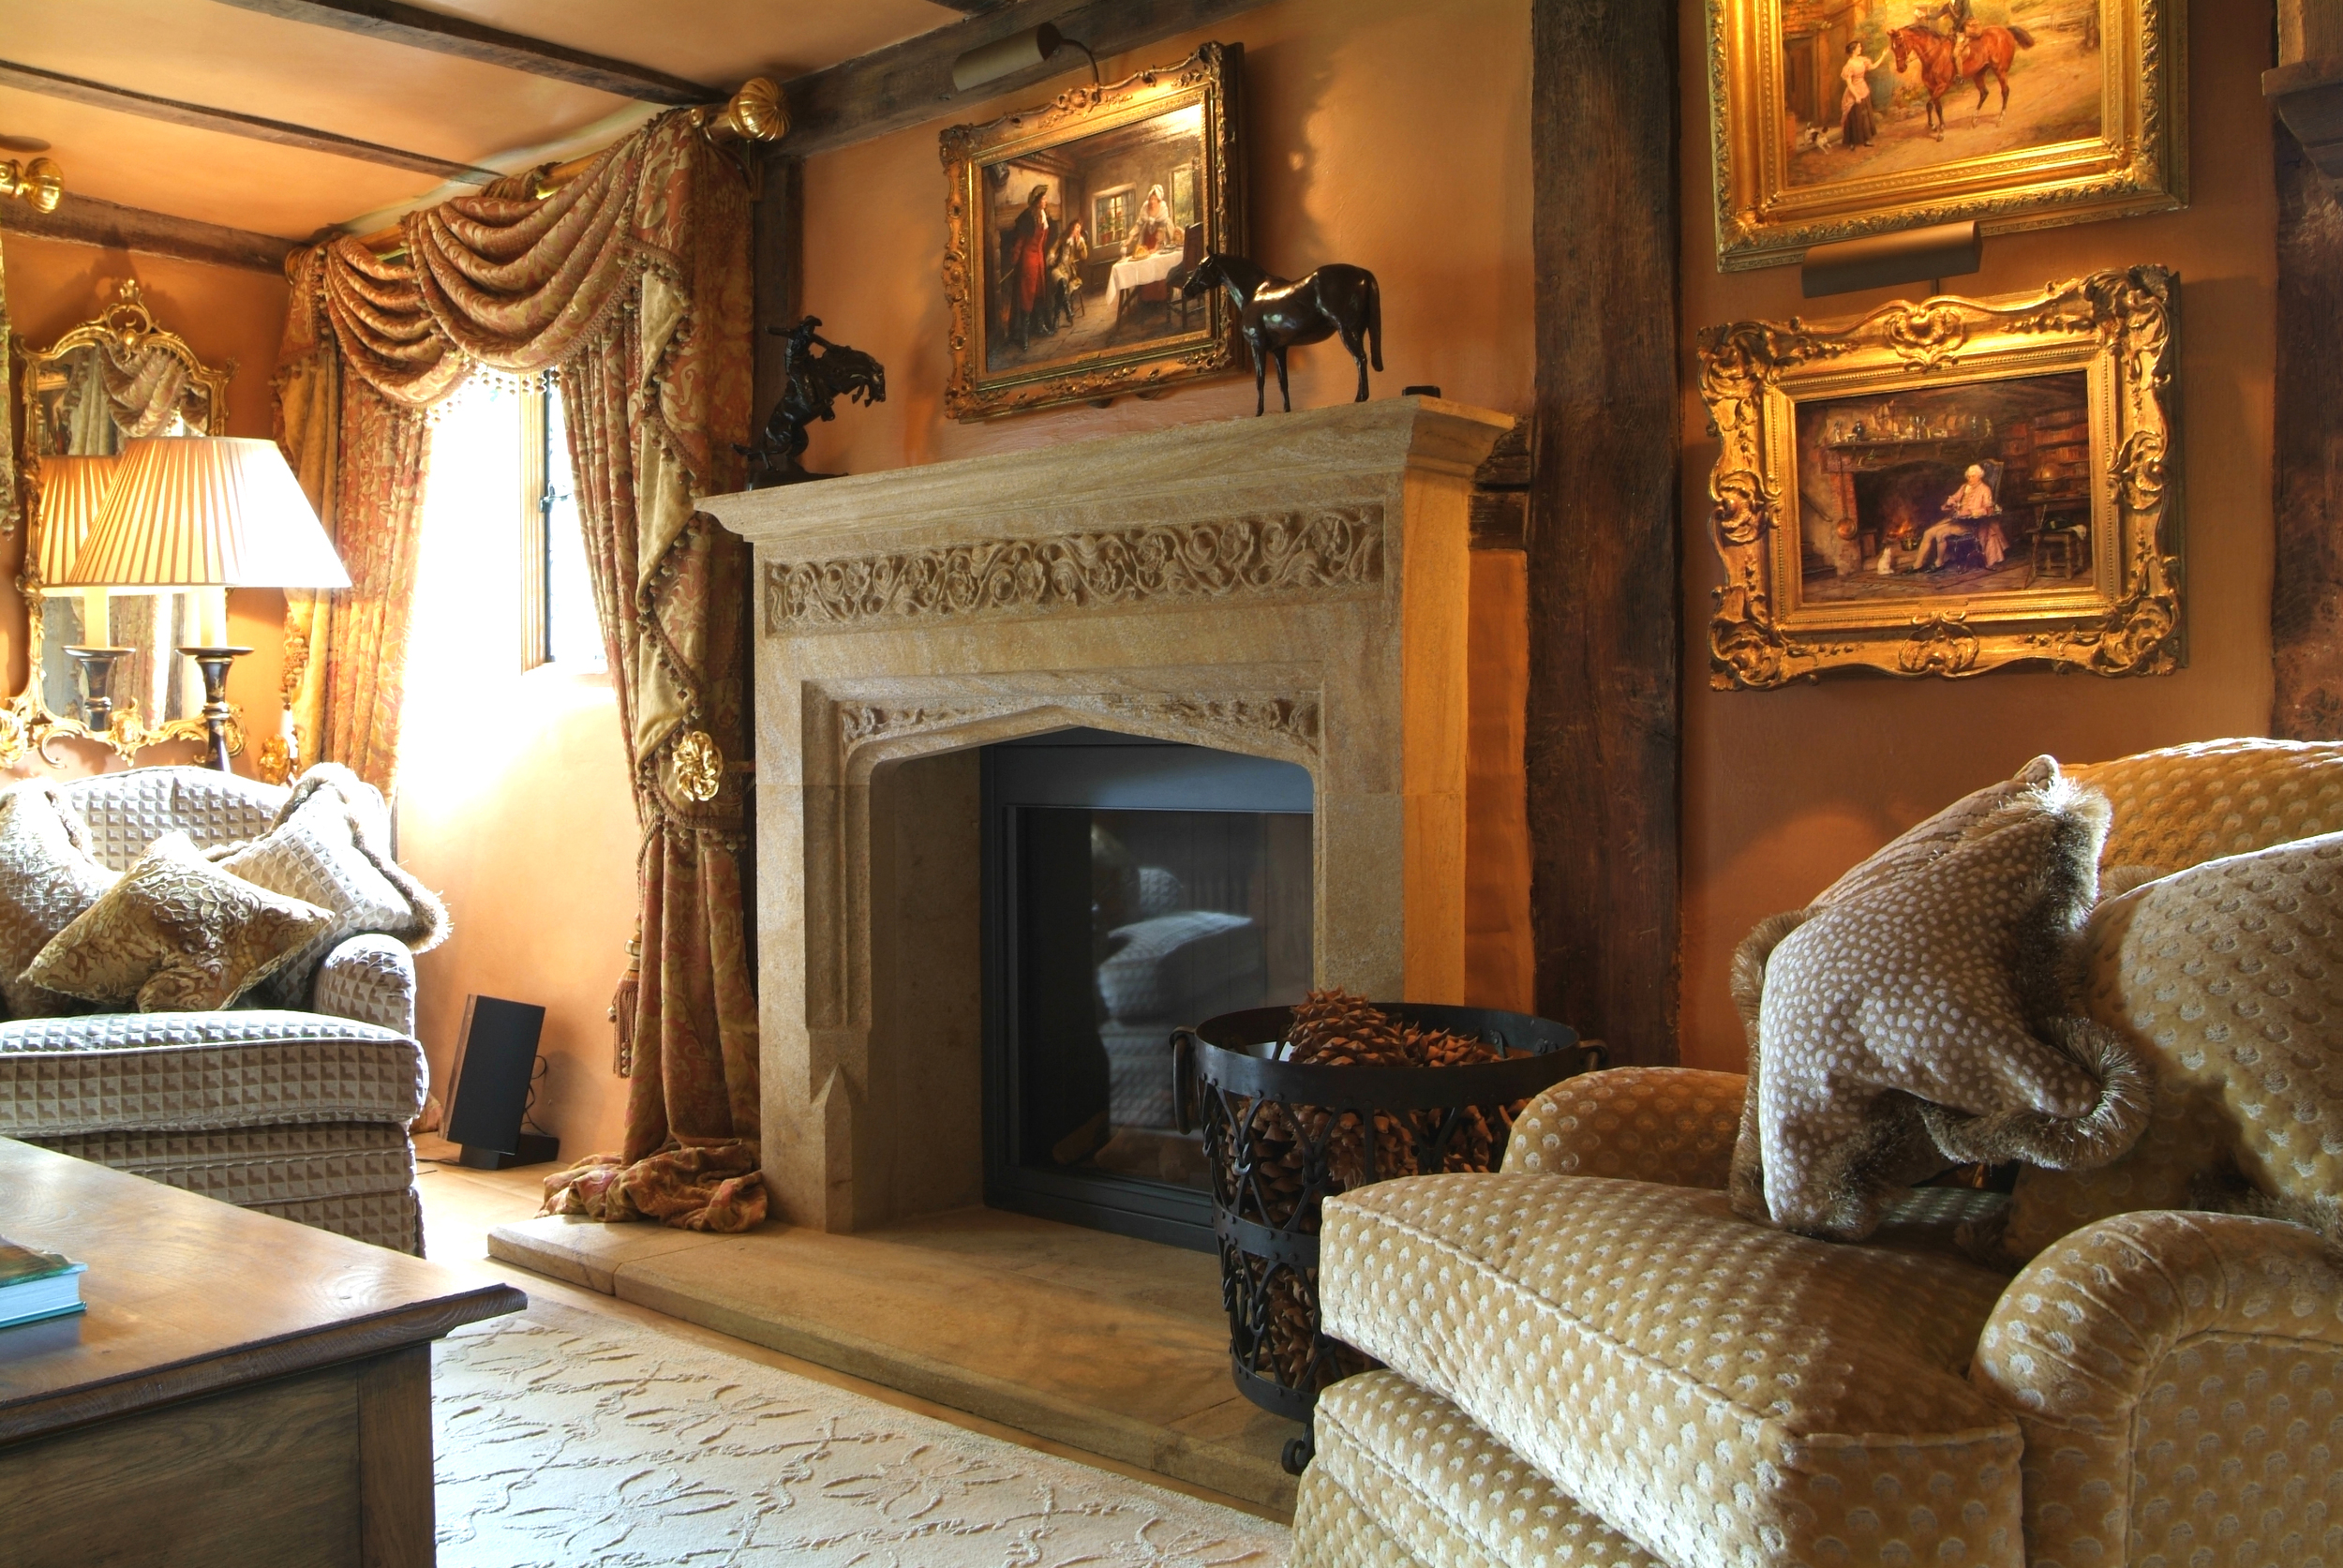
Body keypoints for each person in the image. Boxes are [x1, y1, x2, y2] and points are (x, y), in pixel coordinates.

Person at [1914, 463, 2000, 569]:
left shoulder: (1985, 489)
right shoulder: (1964, 487)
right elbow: (1954, 498)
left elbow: (1988, 509)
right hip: (1956, 520)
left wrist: (1970, 511)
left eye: (1973, 476)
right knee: (1928, 533)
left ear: (1979, 476)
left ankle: (1939, 563)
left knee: (1940, 534)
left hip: (1971, 524)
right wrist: (1951, 501)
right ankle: (1917, 565)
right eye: (1968, 476)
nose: (1970, 479)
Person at [1003, 185, 1054, 347]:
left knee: (1039, 293)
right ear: (1038, 201)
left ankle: (1039, 326)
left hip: (1039, 260)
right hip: (1027, 261)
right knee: (1027, 297)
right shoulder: (1027, 218)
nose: (1046, 200)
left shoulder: (1044, 216)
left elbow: (1044, 242)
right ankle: (1023, 336)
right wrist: (1014, 259)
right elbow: (1019, 243)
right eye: (1044, 198)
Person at [1840, 39, 1888, 148]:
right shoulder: (1849, 66)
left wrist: (1883, 56)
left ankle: (1866, 139)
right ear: (1853, 50)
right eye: (1858, 47)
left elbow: (1873, 67)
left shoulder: (1862, 60)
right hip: (1854, 93)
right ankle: (1853, 142)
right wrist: (1856, 96)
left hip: (1864, 90)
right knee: (1855, 117)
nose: (1860, 49)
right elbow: (1849, 84)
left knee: (1865, 116)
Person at [1049, 218, 1090, 328]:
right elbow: (1053, 249)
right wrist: (1052, 256)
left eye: (1079, 228)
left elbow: (1084, 257)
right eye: (1076, 227)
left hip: (1068, 270)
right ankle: (1068, 312)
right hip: (1057, 267)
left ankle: (1056, 319)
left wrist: (1082, 244)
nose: (1078, 230)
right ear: (1071, 227)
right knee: (1060, 281)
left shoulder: (1078, 241)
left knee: (1062, 284)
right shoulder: (1063, 238)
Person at [1127, 184, 1177, 258]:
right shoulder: (1145, 207)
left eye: (1154, 199)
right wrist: (1129, 240)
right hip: (1148, 235)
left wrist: (1155, 248)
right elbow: (1138, 225)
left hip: (1162, 236)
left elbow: (1161, 230)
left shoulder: (1162, 208)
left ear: (1158, 200)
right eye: (1150, 199)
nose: (1152, 201)